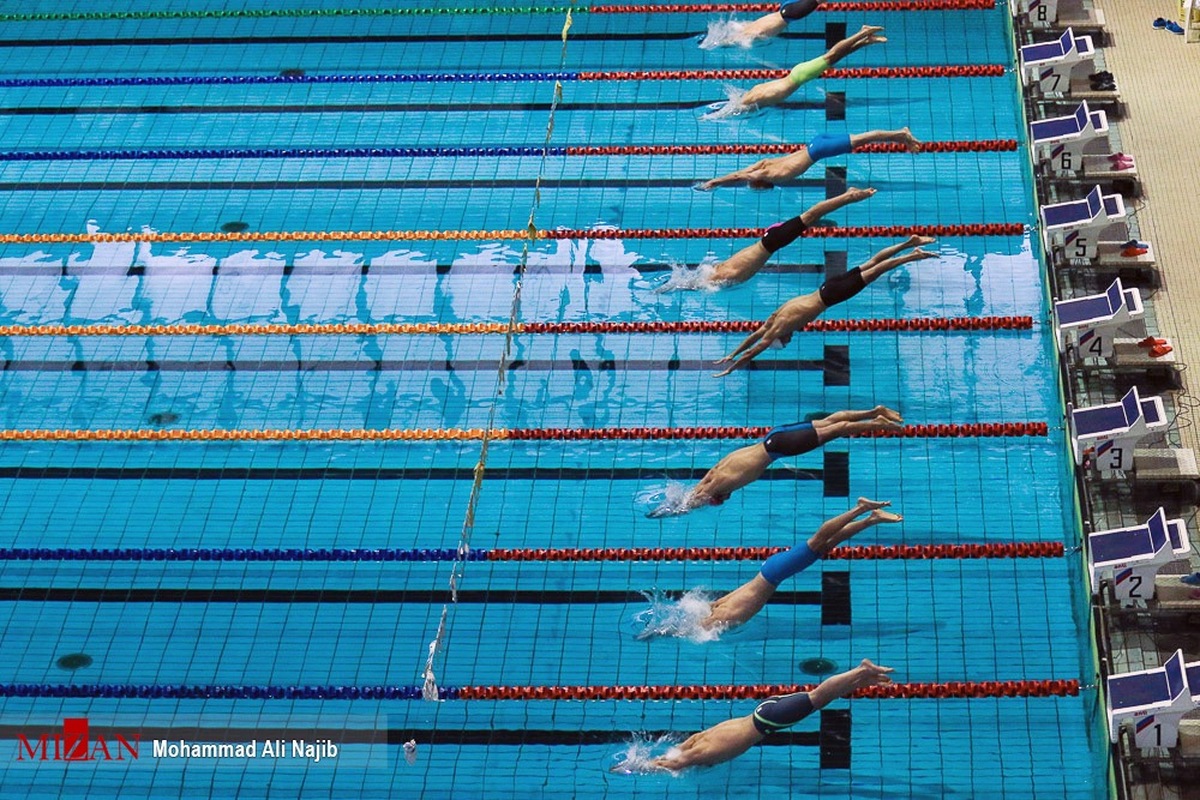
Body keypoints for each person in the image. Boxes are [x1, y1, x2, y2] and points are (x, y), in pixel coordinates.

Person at [610, 659, 894, 773]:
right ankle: (861, 678)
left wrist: (636, 767)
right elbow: (681, 752)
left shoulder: (703, 750)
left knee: (818, 697)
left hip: (766, 718)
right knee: (818, 697)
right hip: (763, 712)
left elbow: (678, 761)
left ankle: (860, 671)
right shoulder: (700, 742)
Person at [714, 236, 938, 375]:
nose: (790, 339)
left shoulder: (779, 328)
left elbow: (755, 348)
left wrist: (732, 366)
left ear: (778, 338)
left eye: (785, 341)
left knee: (876, 270)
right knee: (871, 263)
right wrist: (731, 353)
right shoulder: (773, 319)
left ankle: (912, 255)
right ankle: (909, 242)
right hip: (825, 288)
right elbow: (754, 337)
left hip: (832, 296)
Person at [646, 407, 903, 517]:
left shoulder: (719, 485)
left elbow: (692, 502)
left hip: (779, 448)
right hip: (773, 435)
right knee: (830, 422)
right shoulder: (715, 472)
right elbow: (697, 490)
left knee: (836, 430)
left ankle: (877, 423)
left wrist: (662, 514)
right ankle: (875, 411)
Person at [704, 498, 901, 630]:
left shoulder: (724, 617)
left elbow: (702, 628)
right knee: (825, 544)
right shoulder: (719, 606)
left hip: (775, 573)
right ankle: (871, 519)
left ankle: (861, 508)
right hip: (771, 570)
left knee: (818, 540)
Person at [660, 186, 874, 292]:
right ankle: (842, 201)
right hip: (769, 237)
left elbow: (698, 285)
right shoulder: (717, 269)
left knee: (809, 216)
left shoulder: (725, 277)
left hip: (772, 242)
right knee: (808, 219)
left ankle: (849, 196)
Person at [699, 128, 921, 191]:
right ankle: (900, 136)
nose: (751, 181)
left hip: (819, 149)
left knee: (862, 140)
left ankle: (901, 135)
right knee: (859, 139)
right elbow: (744, 170)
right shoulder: (766, 164)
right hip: (815, 142)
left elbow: (739, 175)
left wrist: (715, 182)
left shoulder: (768, 174)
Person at [733, 25, 886, 112]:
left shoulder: (756, 100)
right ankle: (866, 41)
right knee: (835, 57)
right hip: (798, 74)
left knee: (832, 55)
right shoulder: (754, 92)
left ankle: (862, 33)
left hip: (801, 76)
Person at [700, 0, 823, 48]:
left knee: (743, 35)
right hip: (791, 11)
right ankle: (720, 43)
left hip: (790, 10)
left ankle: (720, 42)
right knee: (744, 36)